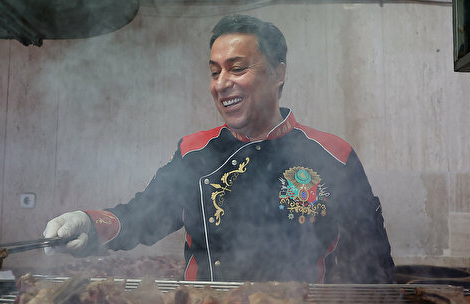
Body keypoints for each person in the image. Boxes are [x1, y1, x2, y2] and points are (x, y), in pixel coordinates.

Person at [43, 14, 394, 283]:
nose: (221, 84)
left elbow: (372, 260)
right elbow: (142, 215)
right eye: (214, 72)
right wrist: (90, 224)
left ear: (278, 73)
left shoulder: (333, 155)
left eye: (237, 68)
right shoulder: (195, 152)